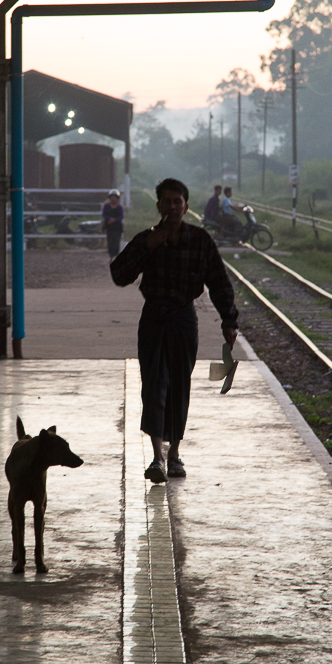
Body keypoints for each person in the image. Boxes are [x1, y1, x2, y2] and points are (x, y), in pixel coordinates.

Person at [110, 178, 239, 484]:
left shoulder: (200, 240)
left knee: (179, 385)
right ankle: (156, 457)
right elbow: (119, 274)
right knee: (155, 384)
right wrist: (146, 247)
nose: (172, 207)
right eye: (166, 201)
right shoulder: (147, 239)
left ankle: (175, 453)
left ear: (186, 206)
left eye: (177, 201)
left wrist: (229, 320)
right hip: (154, 317)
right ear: (158, 206)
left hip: (183, 319)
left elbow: (219, 282)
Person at [102, 189, 124, 259]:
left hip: (117, 228)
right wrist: (109, 219)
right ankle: (111, 257)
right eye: (112, 197)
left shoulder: (120, 207)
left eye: (115, 197)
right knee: (110, 242)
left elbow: (121, 216)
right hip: (109, 227)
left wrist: (114, 220)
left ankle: (115, 257)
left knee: (116, 243)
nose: (113, 199)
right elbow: (104, 214)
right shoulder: (106, 206)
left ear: (117, 198)